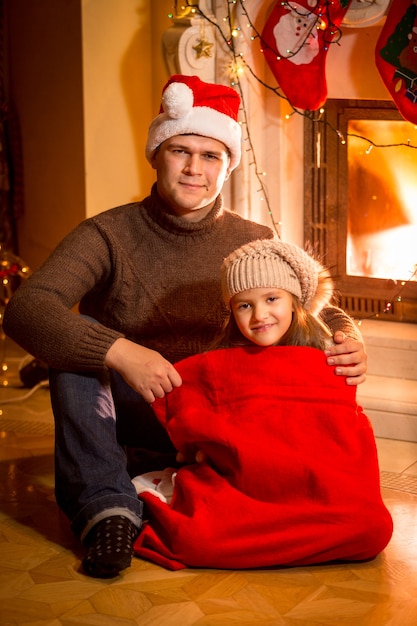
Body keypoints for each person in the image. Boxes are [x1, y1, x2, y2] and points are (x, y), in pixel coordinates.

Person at [3, 74, 367, 579]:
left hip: (220, 416)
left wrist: (351, 339)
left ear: (227, 166)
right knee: (76, 360)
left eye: (211, 155)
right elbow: (25, 309)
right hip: (135, 406)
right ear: (157, 155)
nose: (195, 168)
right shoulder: (107, 233)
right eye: (180, 151)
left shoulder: (254, 237)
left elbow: (312, 304)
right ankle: (108, 511)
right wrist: (121, 351)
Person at [132, 239, 392, 570]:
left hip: (315, 488)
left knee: (372, 531)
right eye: (244, 306)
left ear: (296, 302)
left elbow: (337, 430)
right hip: (249, 489)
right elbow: (200, 423)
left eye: (272, 299)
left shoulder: (327, 353)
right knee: (195, 539)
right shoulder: (221, 362)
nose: (259, 315)